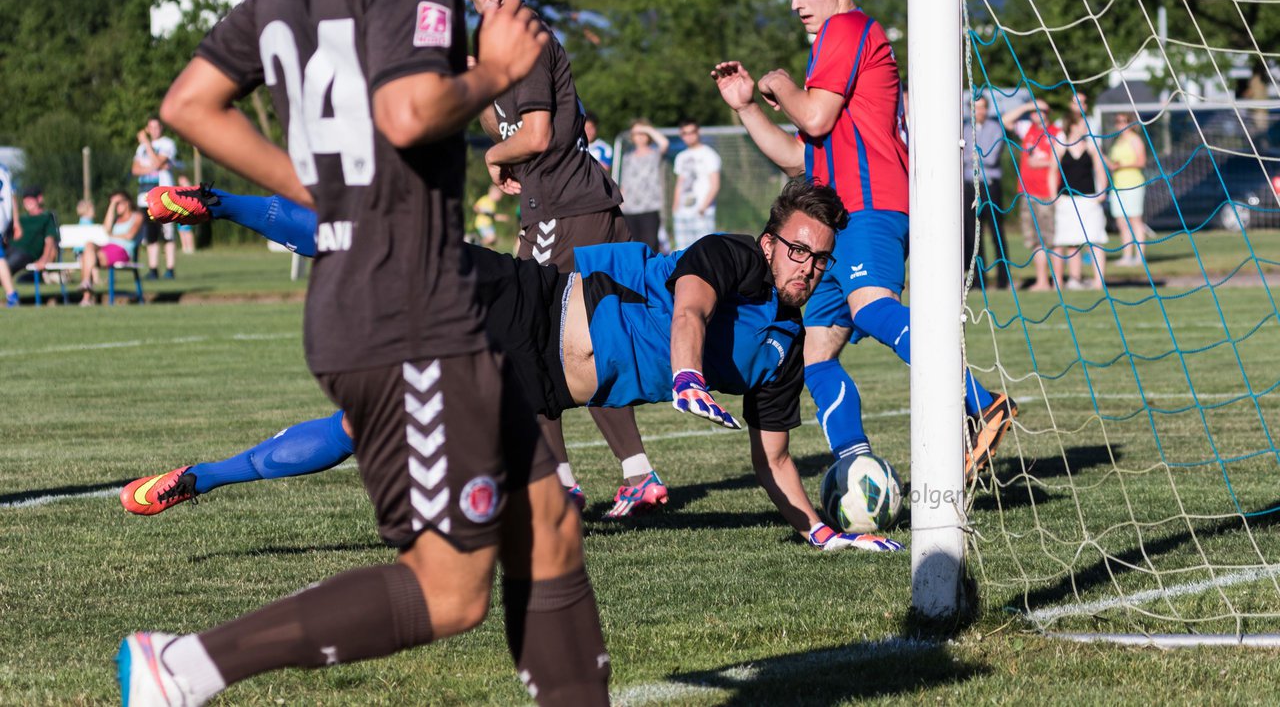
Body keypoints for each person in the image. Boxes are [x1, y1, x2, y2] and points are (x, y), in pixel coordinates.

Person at [116, 0, 610, 705]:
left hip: (394, 295)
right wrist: (493, 70)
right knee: (451, 591)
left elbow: (190, 103)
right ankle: (181, 669)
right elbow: (408, 111)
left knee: (551, 525)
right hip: (405, 304)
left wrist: (315, 190)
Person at [128, 179, 903, 554]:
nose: (805, 263)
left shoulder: (784, 350)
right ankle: (217, 201)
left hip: (528, 384)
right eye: (796, 247)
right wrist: (689, 378)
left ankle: (199, 478)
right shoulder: (736, 256)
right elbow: (692, 307)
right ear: (772, 240)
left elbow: (771, 457)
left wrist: (823, 534)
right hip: (529, 300)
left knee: (364, 434)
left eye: (819, 257)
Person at [711, 0, 1016, 483]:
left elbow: (816, 119)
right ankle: (856, 465)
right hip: (836, 220)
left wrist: (780, 82)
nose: (797, 3)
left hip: (870, 204)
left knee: (874, 307)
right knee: (816, 356)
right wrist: (748, 107)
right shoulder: (830, 42)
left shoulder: (845, 30)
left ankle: (982, 401)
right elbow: (800, 155)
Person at [463, 0, 664, 517]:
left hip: (566, 211)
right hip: (568, 205)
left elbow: (537, 134)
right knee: (587, 339)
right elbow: (508, 126)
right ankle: (632, 475)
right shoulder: (498, 49)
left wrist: (493, 158)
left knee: (529, 337)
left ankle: (563, 485)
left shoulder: (525, 42)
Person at [1049, 106, 1109, 290]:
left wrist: (1102, 191)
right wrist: (1054, 196)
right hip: (1067, 201)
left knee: (1095, 240)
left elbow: (1100, 169)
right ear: (1073, 125)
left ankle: (1099, 282)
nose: (1086, 126)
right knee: (1071, 242)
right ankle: (1074, 280)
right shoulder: (1060, 144)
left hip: (1089, 199)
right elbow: (1052, 171)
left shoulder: (1091, 145)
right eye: (1082, 123)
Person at [1005, 98, 1058, 291]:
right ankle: (1042, 281)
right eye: (1036, 111)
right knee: (1034, 240)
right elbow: (1005, 121)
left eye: (1042, 111)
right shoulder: (1027, 130)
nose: (1039, 114)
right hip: (1027, 194)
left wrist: (1043, 163)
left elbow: (1059, 161)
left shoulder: (1056, 132)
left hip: (1046, 194)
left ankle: (1056, 280)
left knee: (1049, 239)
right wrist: (1028, 106)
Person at [963, 95, 1012, 289]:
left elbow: (990, 157)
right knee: (972, 234)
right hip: (969, 185)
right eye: (975, 108)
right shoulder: (965, 129)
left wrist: (972, 154)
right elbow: (962, 156)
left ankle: (1003, 279)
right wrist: (973, 155)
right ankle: (977, 278)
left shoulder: (996, 128)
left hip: (989, 185)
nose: (979, 111)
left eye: (982, 107)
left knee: (996, 231)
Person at [132, 116, 179, 280]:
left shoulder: (167, 144)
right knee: (151, 234)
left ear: (161, 128)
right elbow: (135, 169)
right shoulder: (140, 148)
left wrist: (147, 145)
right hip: (145, 195)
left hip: (163, 194)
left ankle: (170, 268)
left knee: (167, 233)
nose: (154, 130)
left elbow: (159, 163)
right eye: (150, 127)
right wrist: (152, 166)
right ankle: (153, 269)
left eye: (157, 127)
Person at [77, 191, 143, 306]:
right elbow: (106, 229)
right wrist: (112, 205)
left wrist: (112, 235)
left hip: (122, 251)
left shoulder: (137, 216)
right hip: (108, 248)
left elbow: (130, 235)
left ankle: (86, 298)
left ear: (127, 203)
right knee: (88, 246)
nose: (116, 206)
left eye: (118, 203)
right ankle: (86, 282)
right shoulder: (117, 220)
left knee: (86, 258)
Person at [619, 119, 669, 251]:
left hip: (650, 207)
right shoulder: (627, 157)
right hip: (629, 209)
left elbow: (664, 143)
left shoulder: (655, 154)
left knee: (650, 245)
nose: (640, 136)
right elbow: (625, 183)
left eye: (643, 133)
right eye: (636, 133)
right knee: (634, 247)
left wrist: (646, 129)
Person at [671, 119, 721, 249]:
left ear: (698, 132)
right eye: (685, 133)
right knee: (682, 251)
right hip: (682, 212)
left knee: (704, 250)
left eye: (692, 132)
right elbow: (680, 183)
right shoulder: (681, 157)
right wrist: (675, 207)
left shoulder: (709, 154)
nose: (689, 136)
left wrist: (702, 208)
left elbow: (715, 184)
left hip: (702, 212)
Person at [1107, 111, 1148, 266]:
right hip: (1118, 185)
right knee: (1121, 222)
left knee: (1135, 220)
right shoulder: (1117, 142)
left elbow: (1141, 161)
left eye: (1124, 121)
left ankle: (1139, 256)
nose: (1121, 124)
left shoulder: (1135, 140)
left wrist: (1121, 165)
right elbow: (1113, 163)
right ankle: (1126, 256)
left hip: (1133, 184)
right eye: (1118, 121)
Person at [3, 186, 58, 288]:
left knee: (6, 266)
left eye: (31, 198)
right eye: (25, 198)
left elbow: (50, 240)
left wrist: (44, 259)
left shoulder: (46, 218)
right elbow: (6, 237)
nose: (27, 201)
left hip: (26, 253)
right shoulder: (20, 219)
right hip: (9, 249)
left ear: (39, 199)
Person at [0, 159, 19, 307]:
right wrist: (15, 221)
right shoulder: (4, 169)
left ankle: (12, 294)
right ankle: (11, 294)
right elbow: (13, 197)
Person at [471, 182, 509, 248]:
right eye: (499, 195)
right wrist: (482, 211)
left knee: (493, 243)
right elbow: (475, 207)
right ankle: (475, 244)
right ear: (493, 193)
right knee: (492, 238)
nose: (500, 197)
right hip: (482, 223)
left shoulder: (493, 204)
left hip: (489, 224)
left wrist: (502, 217)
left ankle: (489, 254)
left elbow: (493, 216)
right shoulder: (485, 199)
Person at [175, 175, 199, 254]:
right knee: (181, 230)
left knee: (187, 230)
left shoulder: (189, 189)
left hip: (187, 212)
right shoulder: (179, 189)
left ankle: (191, 247)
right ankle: (184, 247)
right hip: (180, 211)